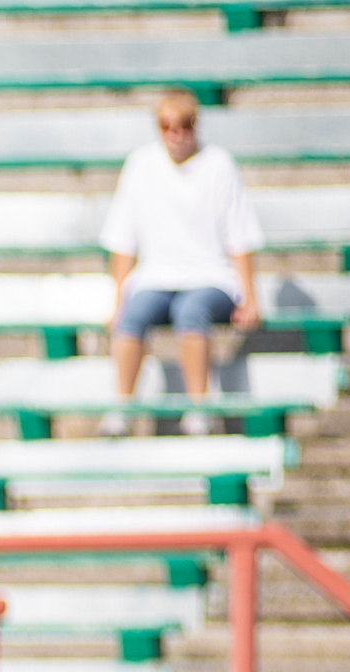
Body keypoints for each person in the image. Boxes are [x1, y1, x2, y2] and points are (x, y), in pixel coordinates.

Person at [99, 91, 264, 439]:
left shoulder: (219, 164)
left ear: (196, 125)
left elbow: (240, 236)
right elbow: (122, 241)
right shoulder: (140, 165)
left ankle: (198, 409)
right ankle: (120, 409)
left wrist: (250, 297)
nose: (176, 134)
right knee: (132, 317)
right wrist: (117, 301)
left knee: (192, 311)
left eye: (184, 125)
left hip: (211, 276)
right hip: (156, 276)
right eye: (166, 126)